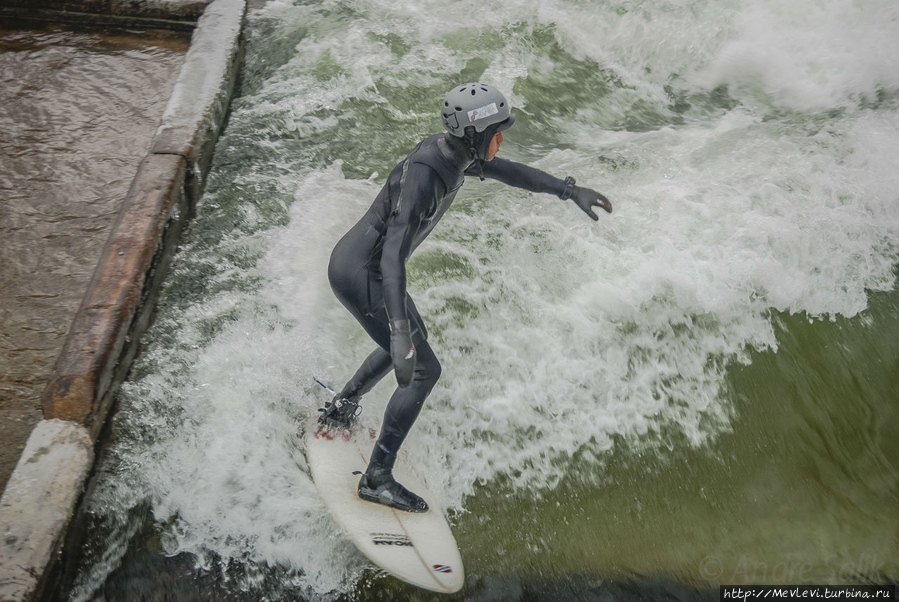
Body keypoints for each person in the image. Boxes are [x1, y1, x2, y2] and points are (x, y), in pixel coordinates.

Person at [319, 82, 612, 513]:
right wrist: (398, 327)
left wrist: (568, 191)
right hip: (364, 271)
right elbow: (394, 258)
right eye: (498, 130)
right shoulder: (426, 175)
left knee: (408, 343)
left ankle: (342, 409)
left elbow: (510, 171)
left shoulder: (459, 155)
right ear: (475, 134)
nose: (502, 138)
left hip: (363, 266)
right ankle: (377, 477)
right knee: (423, 367)